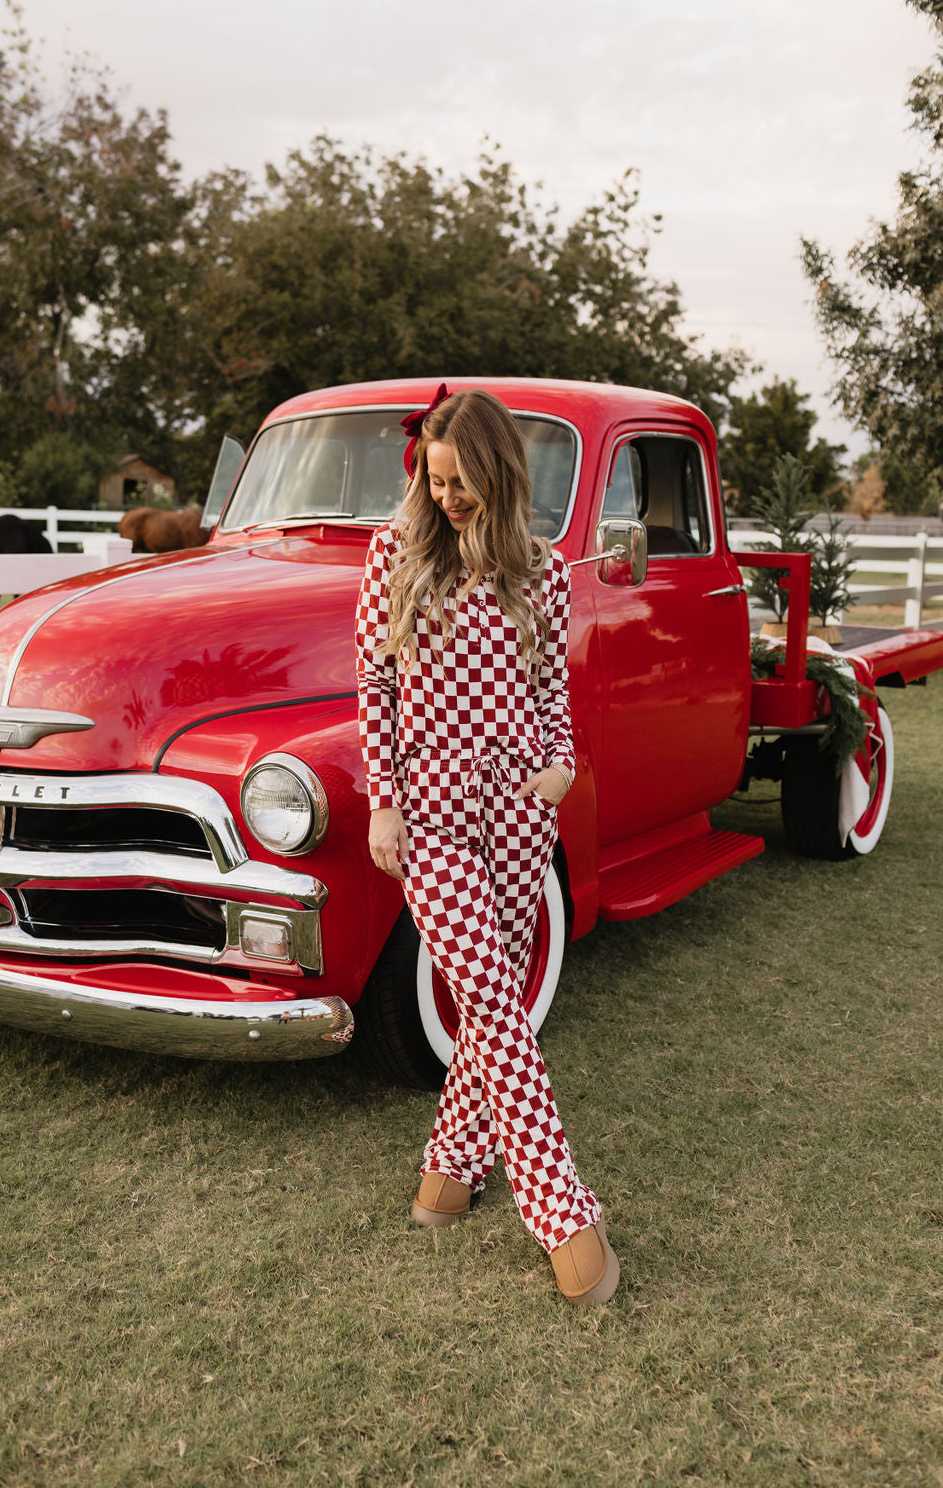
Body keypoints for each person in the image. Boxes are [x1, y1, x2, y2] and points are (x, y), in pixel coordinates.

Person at [354, 384, 619, 1307]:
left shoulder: (541, 572)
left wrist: (556, 767)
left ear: (500, 474)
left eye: (464, 481)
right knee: (496, 1003)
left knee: (491, 995)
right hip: (427, 803)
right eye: (436, 481)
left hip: (517, 801)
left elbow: (552, 687)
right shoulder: (393, 556)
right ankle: (563, 1214)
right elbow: (372, 692)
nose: (449, 498)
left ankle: (448, 1177)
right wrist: (384, 804)